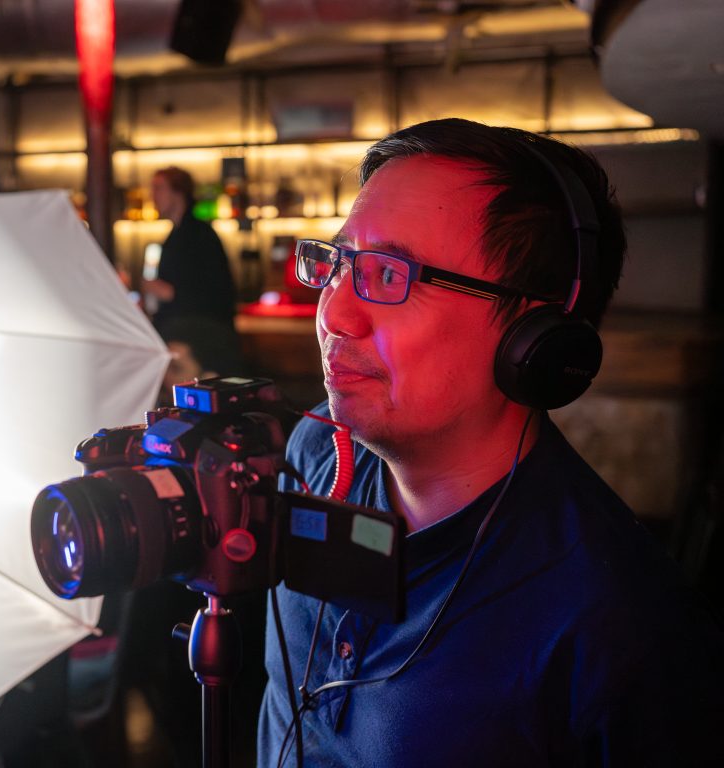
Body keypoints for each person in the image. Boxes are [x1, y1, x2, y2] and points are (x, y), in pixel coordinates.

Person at [257, 118, 724, 766]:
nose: (334, 313)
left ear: (531, 341)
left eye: (388, 275)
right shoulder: (313, 453)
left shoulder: (614, 625)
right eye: (336, 263)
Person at [144, 166, 238, 334]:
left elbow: (217, 295)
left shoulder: (201, 235)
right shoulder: (175, 235)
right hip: (186, 331)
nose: (153, 196)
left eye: (159, 188)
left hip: (201, 337)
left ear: (178, 192)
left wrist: (169, 293)